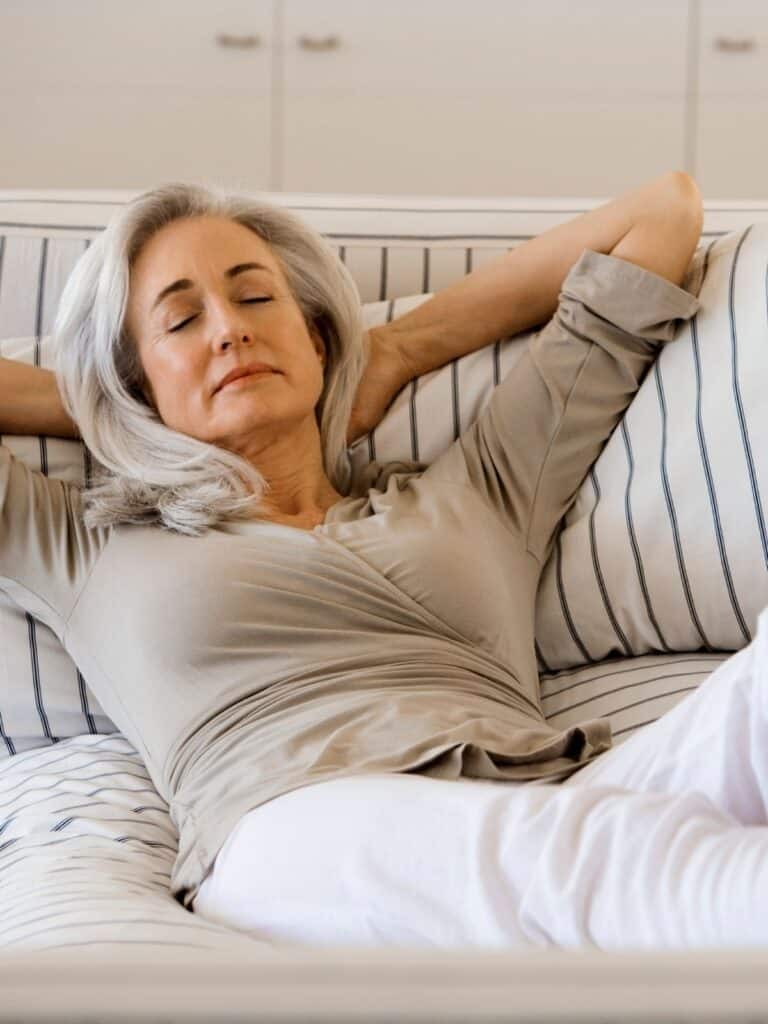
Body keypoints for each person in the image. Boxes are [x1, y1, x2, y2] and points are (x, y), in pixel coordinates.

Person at [4, 170, 764, 951]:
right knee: (603, 861)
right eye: (180, 321)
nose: (228, 329)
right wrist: (108, 405)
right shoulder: (86, 543)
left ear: (318, 337)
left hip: (549, 797)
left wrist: (398, 347)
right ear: (134, 377)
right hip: (298, 826)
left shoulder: (484, 488)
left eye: (256, 299)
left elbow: (663, 214)